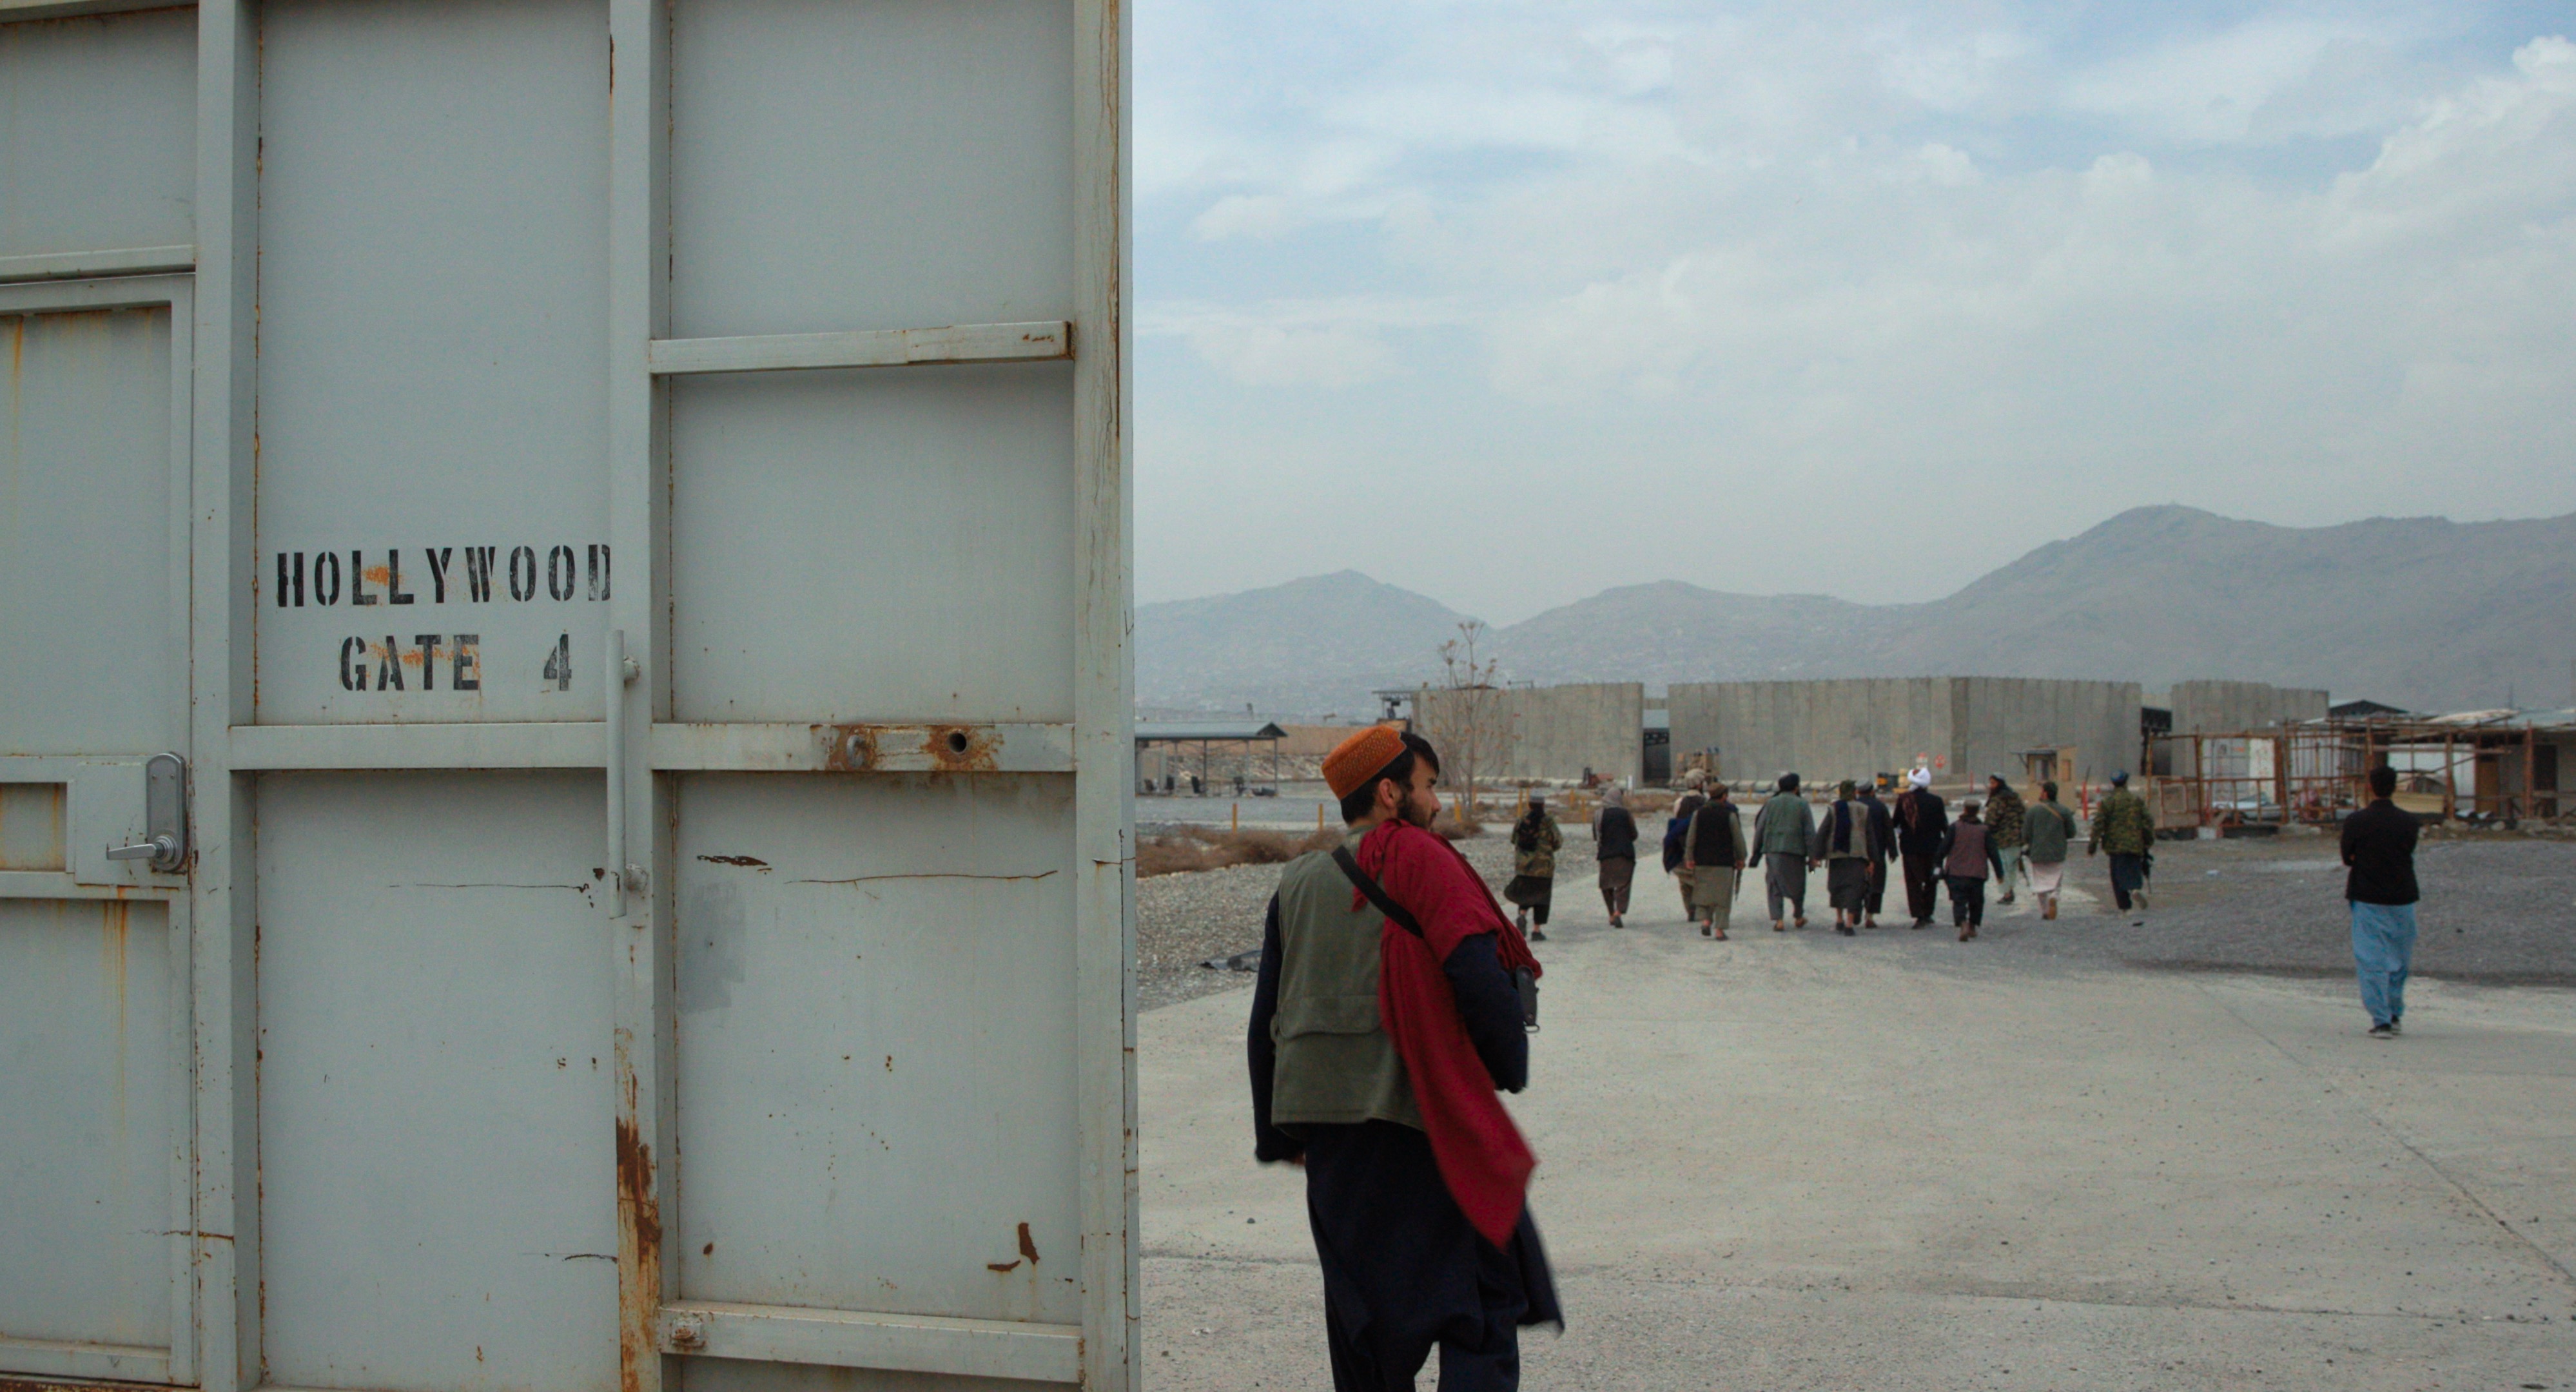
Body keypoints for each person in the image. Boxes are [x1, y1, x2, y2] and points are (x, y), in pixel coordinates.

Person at [1249, 724, 1559, 1389]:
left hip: (1332, 1136)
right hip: (1427, 1123)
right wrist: (1507, 1069)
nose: (1437, 802)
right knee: (1480, 1305)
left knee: (1365, 1321)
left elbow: (1265, 1018)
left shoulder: (1297, 882)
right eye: (1426, 787)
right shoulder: (1425, 860)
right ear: (1390, 793)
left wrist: (1279, 1135)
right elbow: (1478, 978)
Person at [2341, 765, 2421, 1039]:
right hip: (2402, 895)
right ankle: (2395, 1011)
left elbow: (2346, 856)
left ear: (2370, 787)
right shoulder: (2410, 822)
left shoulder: (2356, 821)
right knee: (2399, 957)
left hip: (2367, 895)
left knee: (2371, 958)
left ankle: (2381, 1018)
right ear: (2395, 786)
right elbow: (2408, 851)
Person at [1811, 778, 1882, 936]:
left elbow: (1823, 832)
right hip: (1857, 855)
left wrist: (1815, 855)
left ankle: (1839, 920)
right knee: (1854, 889)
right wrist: (1873, 859)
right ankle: (1850, 924)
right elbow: (1870, 836)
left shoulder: (1834, 809)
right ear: (1854, 792)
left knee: (1837, 887)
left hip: (1837, 855)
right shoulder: (1864, 809)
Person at [2085, 770, 2156, 918]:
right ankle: (2135, 889)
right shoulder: (2136, 800)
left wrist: (2092, 846)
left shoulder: (2108, 802)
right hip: (2135, 844)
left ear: (2113, 783)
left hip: (2115, 846)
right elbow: (2148, 821)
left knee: (2117, 877)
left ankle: (2125, 908)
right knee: (2134, 870)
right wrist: (2148, 841)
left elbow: (2099, 825)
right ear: (2126, 782)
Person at [1751, 773, 1817, 931]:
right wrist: (1813, 856)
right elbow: (1809, 833)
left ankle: (1779, 920)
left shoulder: (1771, 804)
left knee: (1774, 884)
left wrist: (1756, 853)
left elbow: (1760, 828)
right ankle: (1798, 916)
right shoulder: (1802, 805)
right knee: (1798, 884)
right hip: (1796, 852)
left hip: (1773, 851)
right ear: (1796, 788)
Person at [1682, 784, 1748, 940]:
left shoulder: (1698, 815)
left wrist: (1689, 858)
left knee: (1703, 893)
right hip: (1724, 863)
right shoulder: (1729, 815)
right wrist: (1741, 858)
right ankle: (1719, 930)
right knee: (1723, 898)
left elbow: (1691, 838)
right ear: (1724, 796)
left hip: (1703, 861)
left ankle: (1705, 922)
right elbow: (1738, 840)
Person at [1935, 799, 2005, 940]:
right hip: (1977, 873)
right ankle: (1972, 926)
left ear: (1965, 810)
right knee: (1976, 901)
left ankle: (1962, 924)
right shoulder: (1984, 830)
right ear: (1978, 811)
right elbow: (1993, 853)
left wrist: (1937, 865)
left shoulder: (1955, 827)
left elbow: (1943, 849)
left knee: (1959, 901)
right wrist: (2000, 873)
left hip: (1956, 872)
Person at [1890, 768, 1949, 929]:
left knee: (1913, 882)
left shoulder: (1904, 800)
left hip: (1910, 848)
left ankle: (1918, 915)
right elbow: (1944, 826)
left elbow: (1895, 822)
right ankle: (1928, 912)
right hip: (1933, 848)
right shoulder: (1936, 801)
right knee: (1931, 881)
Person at [1504, 796, 1561, 943]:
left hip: (1524, 866)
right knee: (1543, 898)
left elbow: (1513, 839)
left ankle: (1522, 914)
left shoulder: (1522, 819)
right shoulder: (1548, 820)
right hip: (1544, 867)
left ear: (1529, 804)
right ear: (1543, 804)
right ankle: (1537, 930)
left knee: (1525, 893)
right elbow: (1558, 841)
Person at [2022, 780, 2078, 921]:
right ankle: (2054, 896)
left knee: (2040, 882)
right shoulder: (2064, 811)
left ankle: (2045, 911)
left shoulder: (2033, 811)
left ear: (2045, 793)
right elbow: (2072, 833)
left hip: (2038, 852)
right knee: (2056, 879)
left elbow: (2025, 835)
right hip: (2057, 852)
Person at [1593, 784, 1638, 929]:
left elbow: (1596, 835)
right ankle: (1619, 911)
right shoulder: (1626, 814)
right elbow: (1634, 834)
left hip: (1606, 855)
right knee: (1623, 885)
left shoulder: (1599, 814)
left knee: (1607, 886)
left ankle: (1611, 914)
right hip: (1625, 854)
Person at [1663, 781, 1708, 929]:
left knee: (1684, 881)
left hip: (1680, 845)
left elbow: (1675, 821)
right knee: (1699, 877)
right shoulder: (1705, 803)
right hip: (1700, 846)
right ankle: (1702, 908)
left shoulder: (1679, 802)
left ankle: (1690, 909)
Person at [1855, 778, 1897, 929]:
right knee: (1876, 884)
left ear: (1858, 792)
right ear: (1872, 791)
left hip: (1857, 853)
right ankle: (1870, 916)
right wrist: (1893, 850)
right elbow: (1889, 830)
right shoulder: (1880, 807)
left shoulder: (1853, 806)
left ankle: (1855, 911)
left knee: (1857, 883)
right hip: (1877, 852)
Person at [1984, 774, 2027, 905]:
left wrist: (1985, 834)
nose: (1991, 786)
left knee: (2002, 867)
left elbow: (1991, 820)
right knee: (2012, 867)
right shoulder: (2015, 797)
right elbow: (2023, 817)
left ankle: (2007, 893)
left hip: (2000, 839)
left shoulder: (1997, 800)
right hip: (2015, 838)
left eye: (1993, 783)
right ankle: (2010, 890)